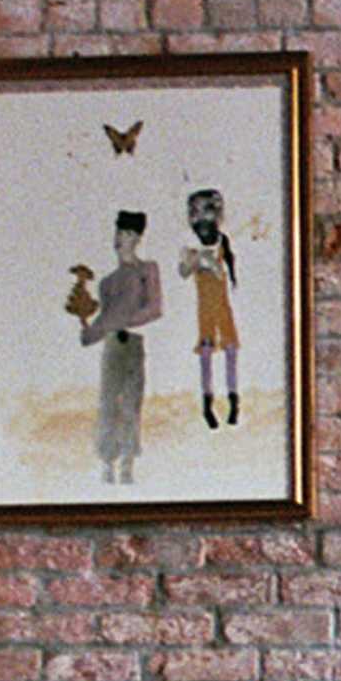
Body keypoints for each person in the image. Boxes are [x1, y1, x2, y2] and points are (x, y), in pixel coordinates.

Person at [76, 208, 164, 483]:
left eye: (127, 233)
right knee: (108, 403)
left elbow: (154, 308)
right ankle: (107, 462)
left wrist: (120, 321)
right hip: (112, 345)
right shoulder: (108, 282)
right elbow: (101, 322)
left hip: (131, 342)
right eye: (118, 232)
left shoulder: (146, 270)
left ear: (137, 238)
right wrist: (88, 329)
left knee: (130, 402)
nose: (120, 238)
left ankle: (127, 462)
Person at [179, 186, 241, 428]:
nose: (200, 218)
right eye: (194, 213)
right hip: (205, 308)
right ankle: (208, 405)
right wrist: (197, 260)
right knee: (206, 353)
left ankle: (234, 402)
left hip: (222, 306)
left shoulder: (223, 242)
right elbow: (184, 271)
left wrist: (222, 271)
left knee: (230, 350)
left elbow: (229, 270)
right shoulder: (191, 249)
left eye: (205, 212)